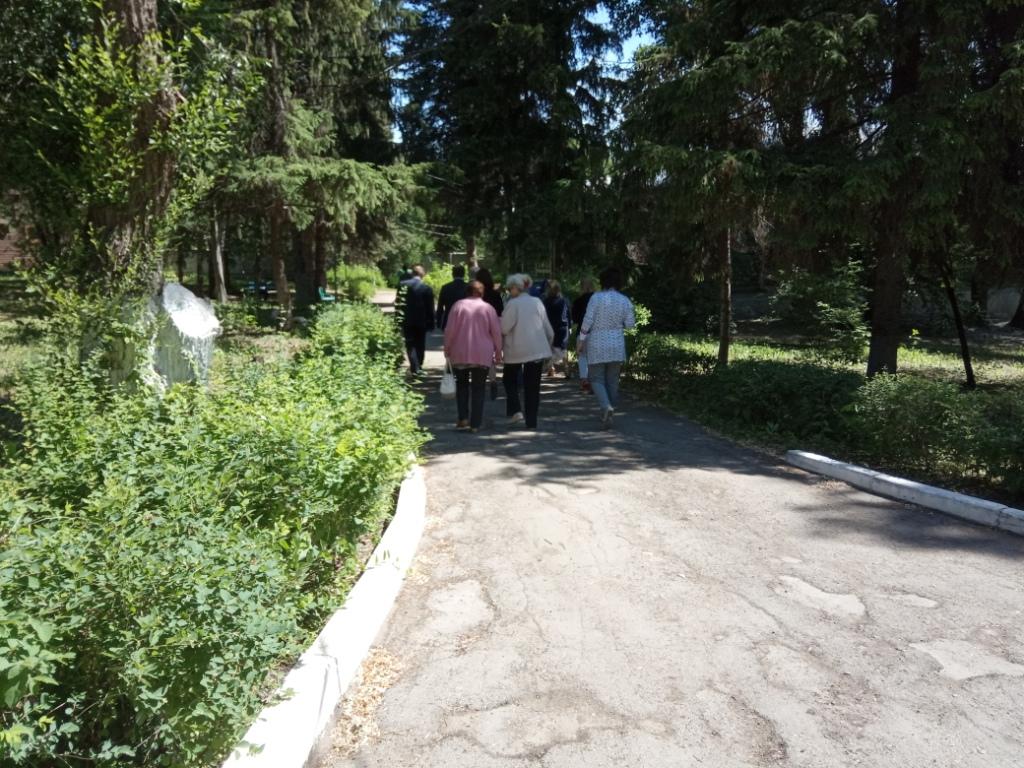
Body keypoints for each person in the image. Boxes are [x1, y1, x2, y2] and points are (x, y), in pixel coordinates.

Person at [578, 267, 635, 428]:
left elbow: (588, 320)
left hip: (597, 343)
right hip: (617, 344)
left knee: (596, 378)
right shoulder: (625, 300)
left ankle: (606, 407)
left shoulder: (596, 298)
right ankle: (609, 410)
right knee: (612, 380)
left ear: (603, 281)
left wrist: (581, 339)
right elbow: (630, 324)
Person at [444, 281, 503, 432]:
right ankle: (475, 424)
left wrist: (447, 347)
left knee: (462, 385)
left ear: (467, 291)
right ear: (482, 292)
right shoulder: (488, 308)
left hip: (460, 352)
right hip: (482, 354)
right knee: (479, 388)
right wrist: (498, 351)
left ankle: (463, 418)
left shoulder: (458, 306)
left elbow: (449, 329)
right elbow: (496, 332)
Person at [501, 274, 554, 429]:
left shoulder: (513, 304)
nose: (509, 291)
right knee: (533, 387)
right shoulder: (537, 302)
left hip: (515, 350)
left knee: (509, 379)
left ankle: (516, 409)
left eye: (510, 288)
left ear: (516, 288)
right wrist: (549, 345)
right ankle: (531, 421)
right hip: (537, 350)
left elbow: (504, 328)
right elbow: (548, 329)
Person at [474, 267, 503, 399]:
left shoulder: (477, 294)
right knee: (490, 356)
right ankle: (493, 380)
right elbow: (500, 311)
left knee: (478, 354)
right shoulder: (495, 294)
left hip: (478, 327)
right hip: (492, 326)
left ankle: (479, 379)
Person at [400, 265, 435, 374]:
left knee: (410, 344)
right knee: (420, 344)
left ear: (412, 274)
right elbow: (430, 308)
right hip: (421, 321)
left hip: (407, 320)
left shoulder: (403, 285)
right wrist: (431, 323)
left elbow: (399, 303)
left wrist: (398, 320)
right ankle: (418, 365)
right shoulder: (427, 288)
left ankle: (414, 366)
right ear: (423, 274)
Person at [571, 278, 595, 391]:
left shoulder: (578, 301)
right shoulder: (597, 299)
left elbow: (575, 319)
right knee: (593, 357)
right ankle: (593, 380)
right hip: (595, 332)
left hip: (582, 332)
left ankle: (584, 380)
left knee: (582, 356)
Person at [543, 280, 571, 377]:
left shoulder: (546, 301)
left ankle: (550, 368)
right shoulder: (564, 300)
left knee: (550, 348)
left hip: (551, 327)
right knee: (563, 349)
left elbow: (544, 316)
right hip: (563, 328)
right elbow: (568, 314)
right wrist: (569, 326)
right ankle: (566, 369)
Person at [436, 265, 468, 330]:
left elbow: (440, 306)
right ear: (464, 274)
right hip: (465, 320)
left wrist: (439, 322)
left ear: (453, 274)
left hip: (449, 320)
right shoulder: (469, 287)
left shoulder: (445, 288)